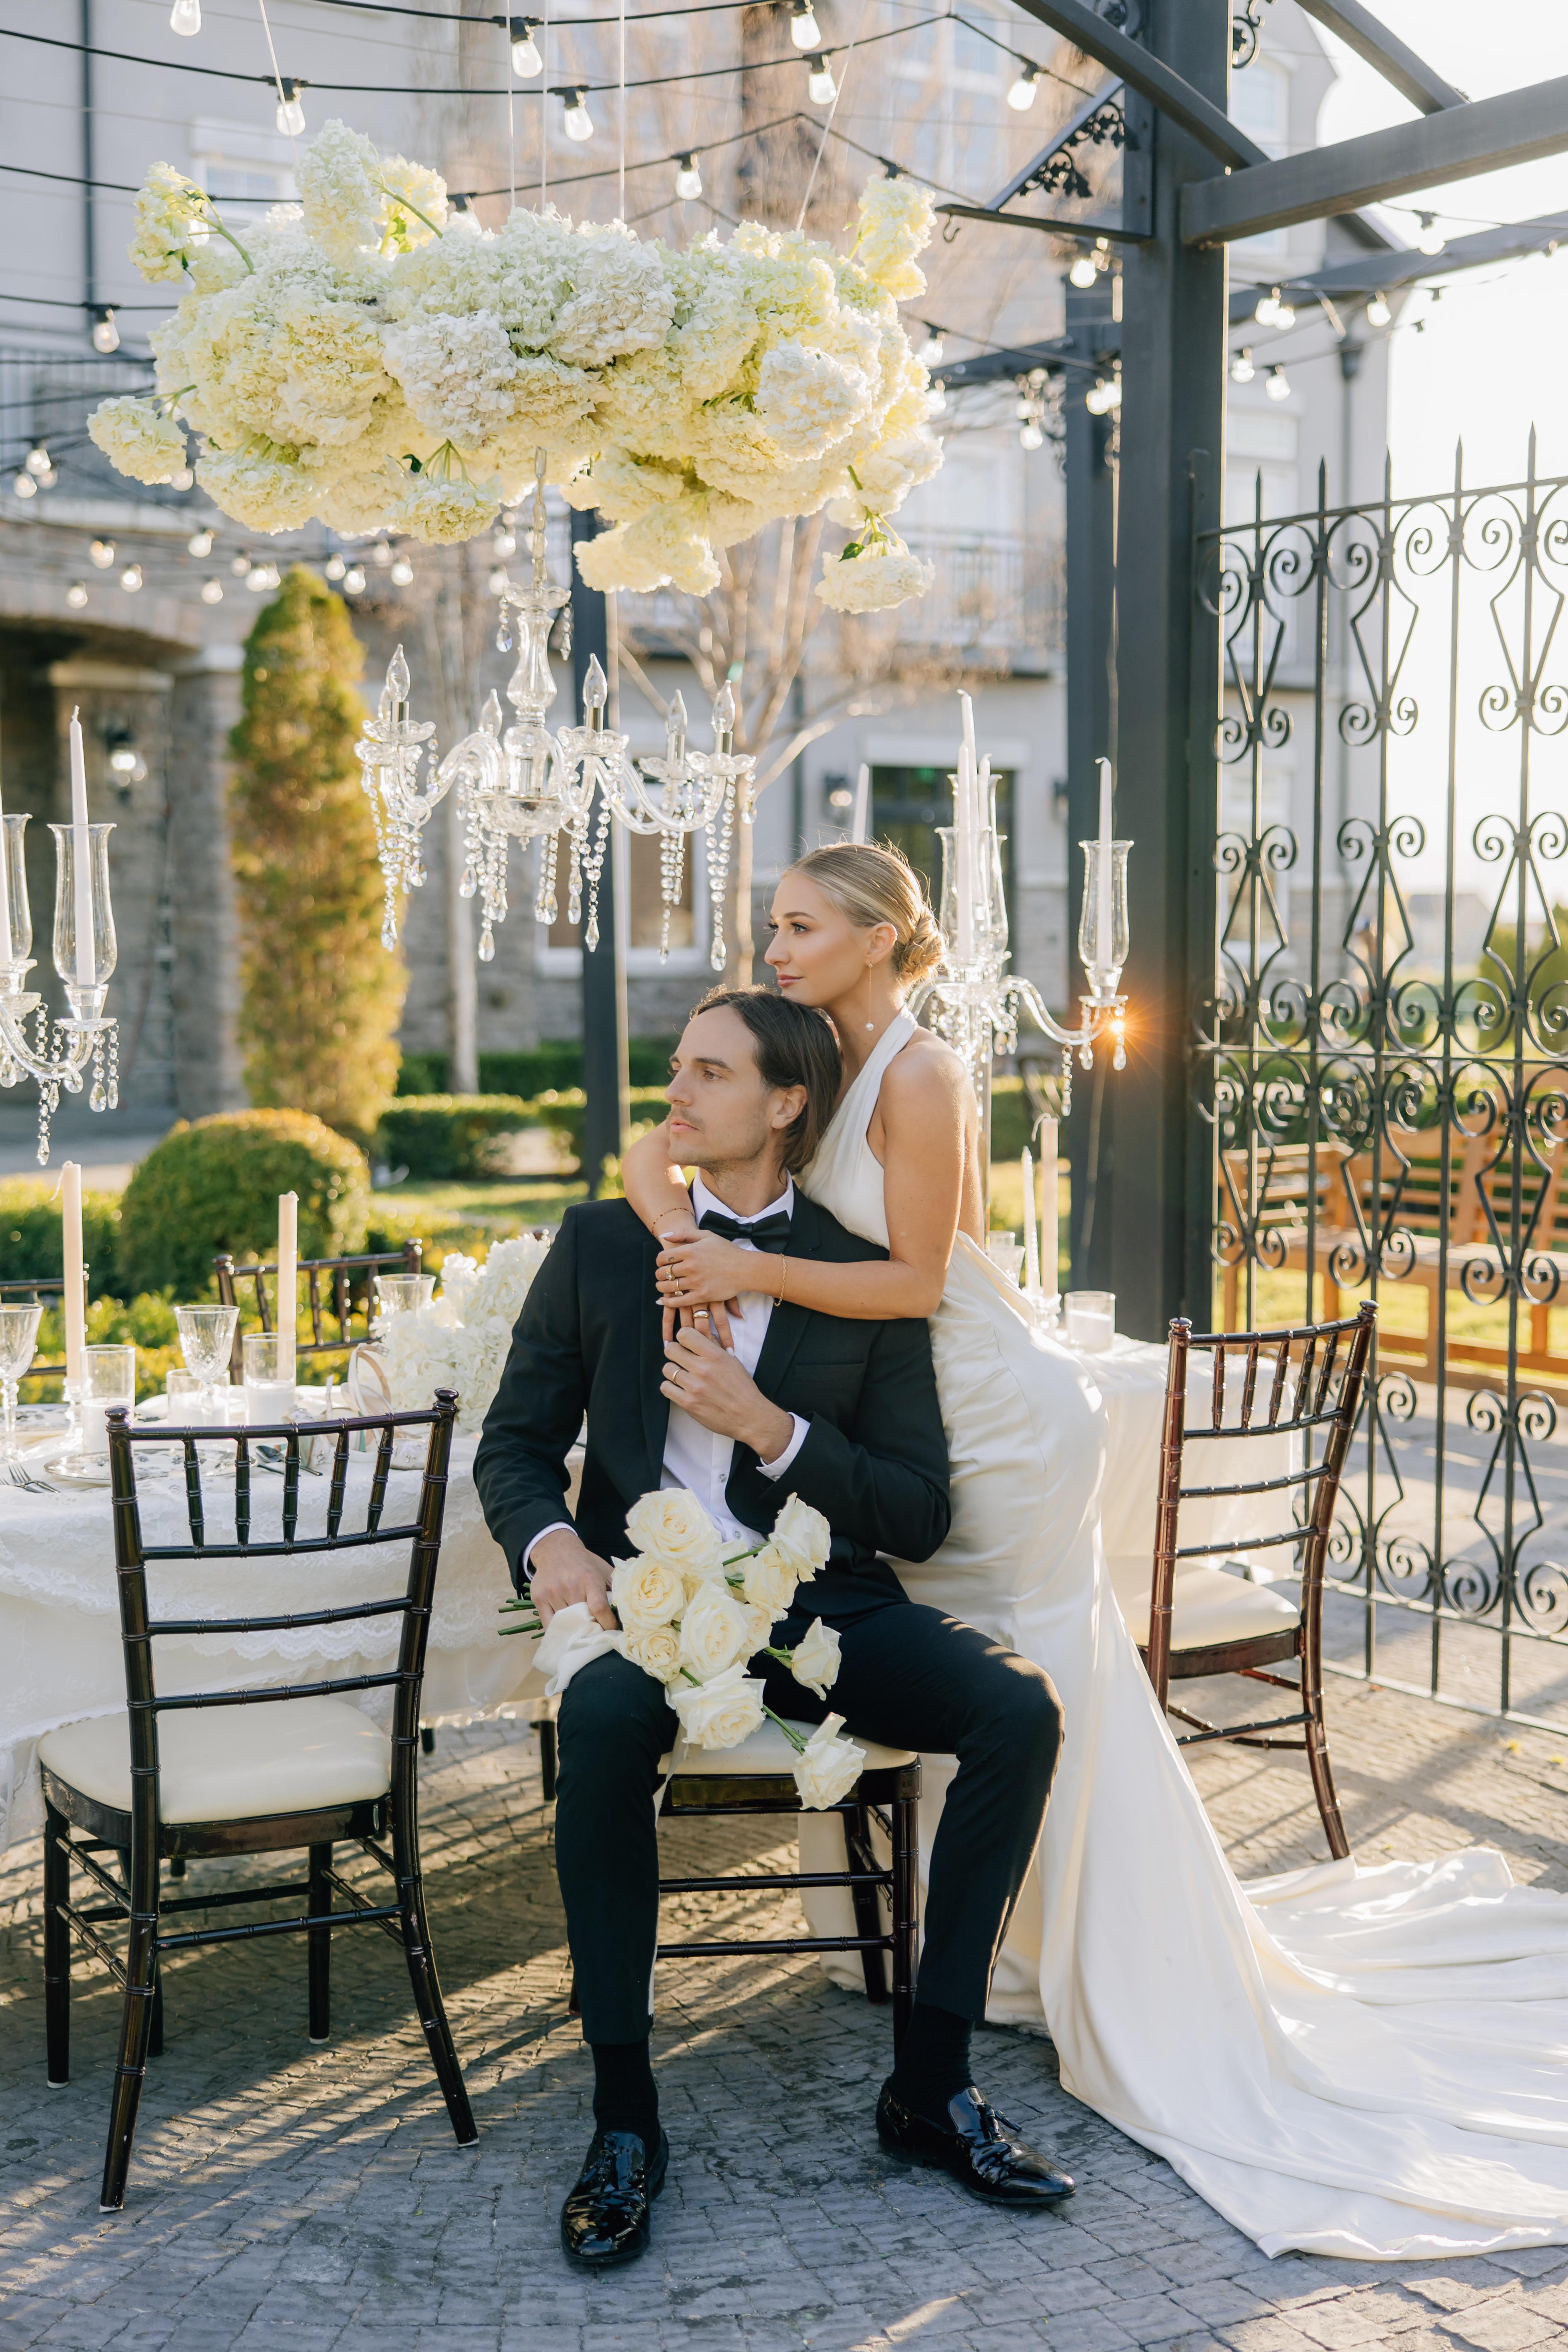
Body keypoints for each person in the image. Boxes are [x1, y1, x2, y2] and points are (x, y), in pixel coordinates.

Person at [622, 842, 1568, 2263]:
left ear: (880, 938)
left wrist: (741, 1268)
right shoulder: (811, 1055)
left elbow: (919, 1279)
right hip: (900, 1408)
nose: (774, 946)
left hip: (987, 1416)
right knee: (955, 1674)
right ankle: (994, 1954)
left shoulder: (924, 1073)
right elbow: (659, 1151)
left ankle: (1098, 1967)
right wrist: (683, 1232)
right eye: (771, 924)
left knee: (1022, 1671)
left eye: (801, 924)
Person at [475, 985, 1074, 2273]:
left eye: (706, 1072)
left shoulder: (855, 1276)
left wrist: (771, 1430)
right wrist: (555, 1540)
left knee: (1018, 1708)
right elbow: (515, 1444)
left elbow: (916, 1509)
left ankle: (931, 2081)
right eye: (674, 1069)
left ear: (785, 1103)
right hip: (643, 1610)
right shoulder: (595, 1245)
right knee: (601, 1716)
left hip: (825, 1606)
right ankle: (624, 2116)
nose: (674, 1094)